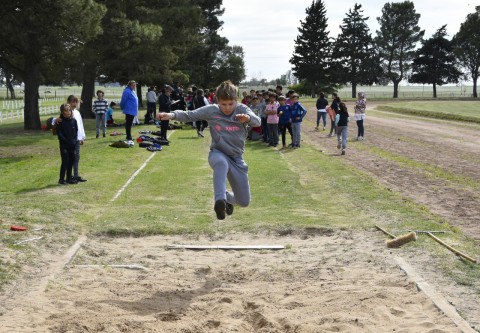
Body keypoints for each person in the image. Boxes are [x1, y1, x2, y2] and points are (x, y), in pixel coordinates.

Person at [156, 80, 261, 220]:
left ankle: (227, 198)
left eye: (231, 104)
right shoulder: (212, 110)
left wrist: (247, 118)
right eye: (223, 104)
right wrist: (171, 115)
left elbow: (257, 121)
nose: (227, 108)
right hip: (218, 153)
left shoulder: (242, 109)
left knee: (244, 202)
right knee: (221, 164)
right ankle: (220, 201)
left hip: (237, 158)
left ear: (236, 100)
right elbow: (190, 115)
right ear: (218, 101)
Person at [56, 104, 78, 185]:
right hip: (64, 145)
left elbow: (75, 132)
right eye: (66, 110)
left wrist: (74, 141)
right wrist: (66, 141)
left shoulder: (73, 121)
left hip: (72, 145)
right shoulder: (60, 121)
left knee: (71, 161)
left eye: (69, 110)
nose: (68, 112)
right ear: (62, 112)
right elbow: (60, 134)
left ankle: (69, 178)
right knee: (65, 161)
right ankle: (61, 179)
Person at [120, 80, 138, 146]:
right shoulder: (127, 91)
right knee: (128, 124)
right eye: (132, 85)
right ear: (129, 85)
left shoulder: (133, 91)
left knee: (129, 124)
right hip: (129, 110)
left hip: (132, 110)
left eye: (135, 85)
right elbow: (123, 100)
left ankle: (129, 136)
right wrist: (122, 107)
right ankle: (128, 137)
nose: (134, 86)